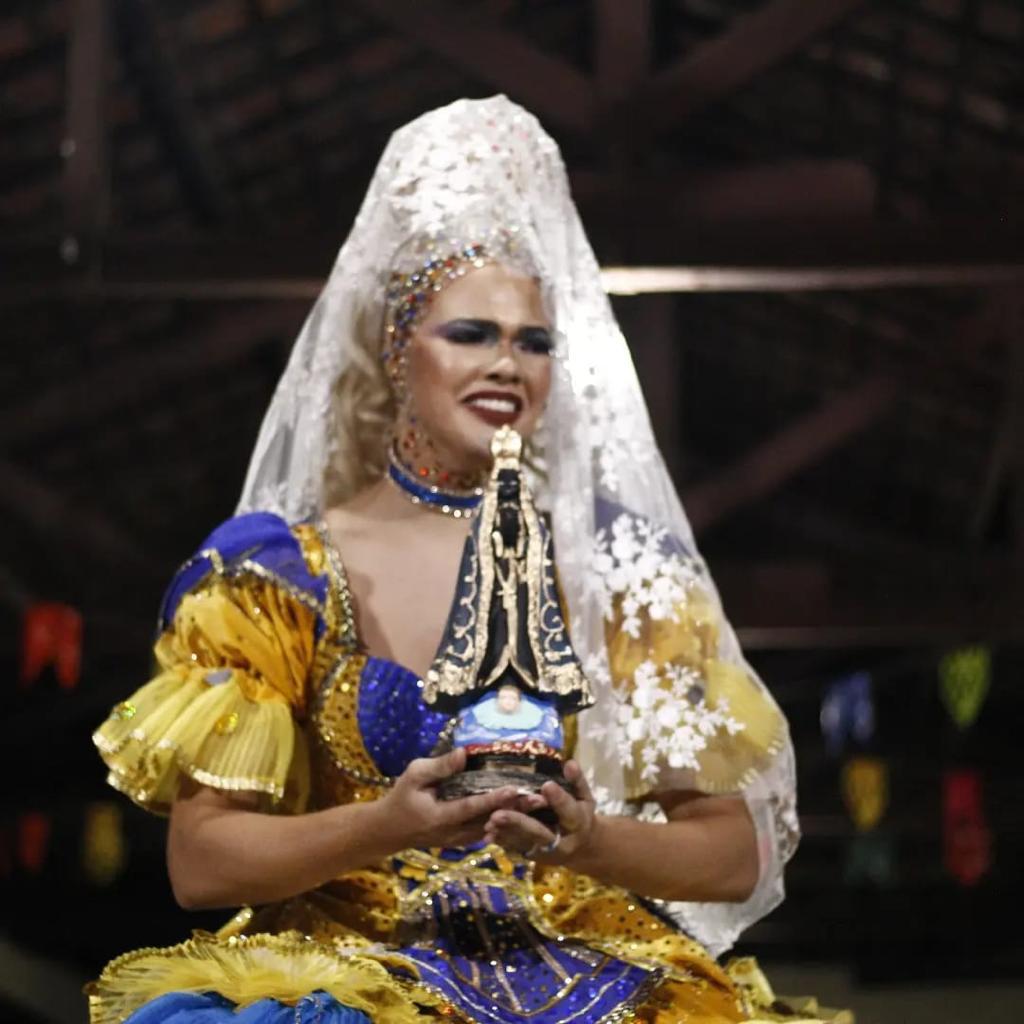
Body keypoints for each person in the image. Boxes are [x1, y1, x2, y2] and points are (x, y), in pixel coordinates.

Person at [89, 96, 843, 1024]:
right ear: (397, 350)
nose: (508, 366)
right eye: (471, 334)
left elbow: (732, 855)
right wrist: (383, 826)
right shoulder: (275, 574)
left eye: (534, 342)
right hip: (349, 978)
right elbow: (202, 864)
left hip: (594, 977)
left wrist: (585, 842)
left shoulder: (621, 573)